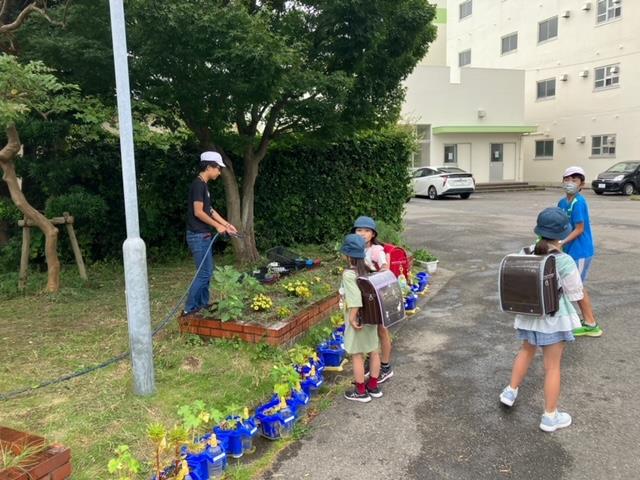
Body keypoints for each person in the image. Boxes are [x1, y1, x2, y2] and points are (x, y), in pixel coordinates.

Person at [499, 207, 583, 432]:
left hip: (528, 315)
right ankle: (550, 416)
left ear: (538, 229)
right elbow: (575, 293)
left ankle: (510, 391)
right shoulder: (564, 260)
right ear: (562, 232)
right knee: (552, 367)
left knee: (526, 351)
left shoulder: (524, 251)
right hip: (554, 319)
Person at [184, 151, 237, 315]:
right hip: (197, 235)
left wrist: (227, 225)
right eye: (218, 168)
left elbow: (210, 210)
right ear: (209, 167)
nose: (219, 172)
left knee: (208, 272)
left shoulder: (203, 185)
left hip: (203, 235)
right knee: (204, 273)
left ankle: (202, 305)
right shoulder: (198, 185)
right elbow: (198, 212)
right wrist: (217, 226)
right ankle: (189, 309)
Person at [557, 166, 602, 337]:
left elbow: (580, 229)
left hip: (581, 251)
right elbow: (559, 225)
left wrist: (561, 242)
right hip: (568, 250)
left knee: (578, 287)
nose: (570, 183)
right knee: (573, 286)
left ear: (581, 184)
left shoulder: (579, 202)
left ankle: (591, 324)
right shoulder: (562, 202)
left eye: (574, 180)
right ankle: (582, 321)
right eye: (567, 179)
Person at [340, 233, 383, 403]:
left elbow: (355, 299)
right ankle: (373, 385)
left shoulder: (348, 275)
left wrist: (352, 318)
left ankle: (360, 391)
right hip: (371, 317)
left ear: (347, 255)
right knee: (374, 351)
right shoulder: (368, 269)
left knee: (357, 355)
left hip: (358, 320)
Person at [351, 216, 394, 383]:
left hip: (377, 295)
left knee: (382, 330)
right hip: (363, 296)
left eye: (367, 231)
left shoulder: (376, 250)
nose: (362, 234)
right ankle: (373, 366)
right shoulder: (354, 248)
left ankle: (385, 366)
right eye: (359, 230)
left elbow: (384, 268)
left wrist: (373, 274)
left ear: (373, 234)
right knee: (369, 330)